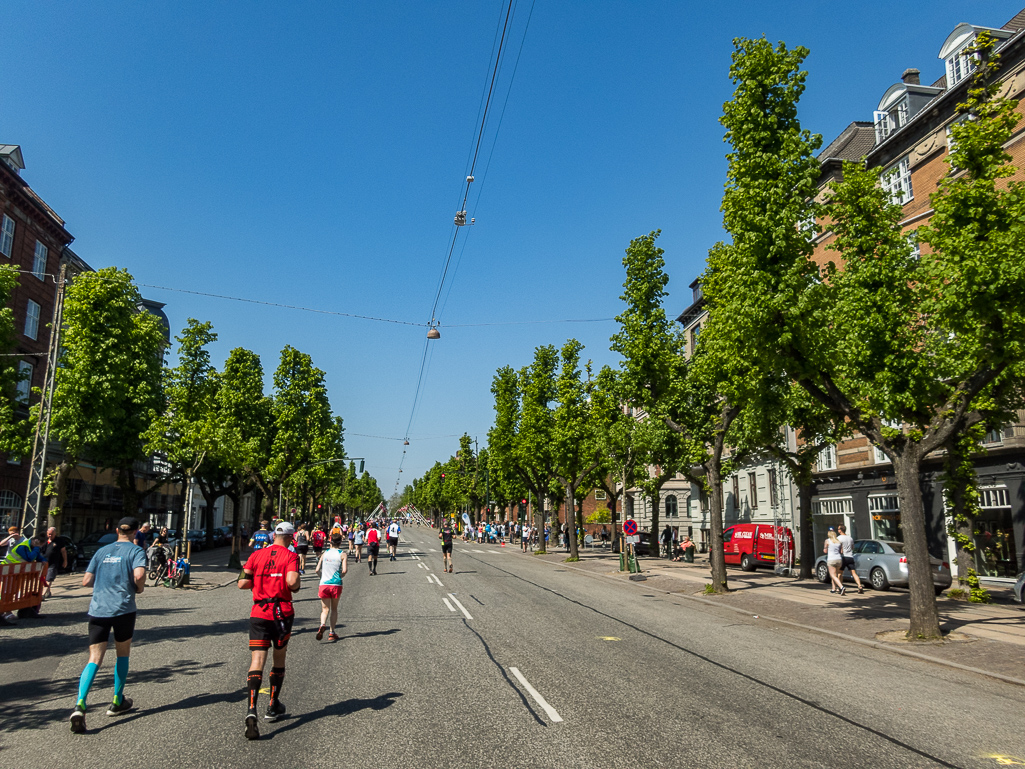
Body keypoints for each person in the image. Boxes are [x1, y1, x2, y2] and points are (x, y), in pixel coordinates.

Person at [69, 517, 147, 733]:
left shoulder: (102, 551)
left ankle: (80, 704)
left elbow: (86, 581)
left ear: (116, 531)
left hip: (98, 610)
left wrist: (104, 581)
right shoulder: (135, 551)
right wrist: (138, 588)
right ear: (135, 532)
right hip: (122, 609)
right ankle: (117, 700)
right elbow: (139, 575)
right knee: (122, 654)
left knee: (94, 658)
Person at [238, 521, 300, 740]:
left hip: (259, 612)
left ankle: (251, 709)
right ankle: (273, 706)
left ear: (273, 535)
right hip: (281, 612)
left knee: (256, 661)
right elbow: (292, 582)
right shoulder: (291, 556)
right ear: (292, 538)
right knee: (279, 658)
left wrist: (258, 578)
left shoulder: (256, 556)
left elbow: (242, 584)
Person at [315, 532, 347, 642]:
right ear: (340, 542)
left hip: (324, 583)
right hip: (336, 584)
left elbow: (317, 569)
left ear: (330, 542)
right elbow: (344, 570)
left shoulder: (325, 553)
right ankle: (331, 632)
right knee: (334, 609)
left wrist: (321, 577)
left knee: (324, 609)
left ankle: (322, 624)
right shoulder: (342, 554)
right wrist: (340, 576)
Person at [42, 527, 68, 599]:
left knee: (49, 578)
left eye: (52, 534)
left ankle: (43, 594)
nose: (50, 535)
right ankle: (48, 592)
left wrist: (65, 561)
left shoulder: (59, 541)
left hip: (53, 563)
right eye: (49, 534)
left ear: (55, 534)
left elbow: (63, 551)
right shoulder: (44, 540)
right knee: (43, 579)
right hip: (43, 563)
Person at [836, 524, 864, 594]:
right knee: (854, 573)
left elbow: (838, 548)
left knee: (840, 573)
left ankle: (840, 587)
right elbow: (852, 547)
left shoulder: (839, 538)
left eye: (838, 529)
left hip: (843, 557)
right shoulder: (850, 538)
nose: (838, 530)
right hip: (850, 557)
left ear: (840, 530)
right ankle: (859, 586)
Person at [824, 527, 845, 595]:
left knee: (832, 575)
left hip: (831, 559)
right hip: (839, 559)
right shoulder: (839, 541)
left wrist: (826, 549)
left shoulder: (827, 541)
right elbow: (841, 551)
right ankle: (833, 589)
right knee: (835, 575)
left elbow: (825, 551)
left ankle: (841, 587)